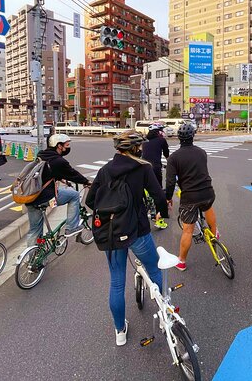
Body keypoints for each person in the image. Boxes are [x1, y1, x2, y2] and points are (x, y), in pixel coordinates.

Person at [85, 130, 168, 346]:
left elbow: (91, 200)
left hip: (112, 233)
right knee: (155, 269)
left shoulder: (104, 171)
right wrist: (161, 213)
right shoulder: (142, 168)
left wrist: (111, 213)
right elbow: (159, 195)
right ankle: (164, 317)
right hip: (137, 231)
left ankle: (120, 331)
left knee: (116, 282)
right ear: (136, 148)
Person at [165, 123, 219, 271]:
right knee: (208, 207)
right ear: (193, 136)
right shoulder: (202, 152)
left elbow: (170, 182)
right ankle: (214, 235)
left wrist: (168, 198)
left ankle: (181, 261)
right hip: (208, 192)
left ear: (178, 137)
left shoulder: (173, 158)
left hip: (189, 197)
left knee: (188, 230)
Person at [26, 134, 90, 246]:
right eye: (66, 145)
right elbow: (73, 174)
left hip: (31, 197)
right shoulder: (59, 161)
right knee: (74, 195)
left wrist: (61, 179)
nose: (68, 148)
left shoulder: (41, 155)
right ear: (59, 146)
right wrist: (87, 182)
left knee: (34, 231)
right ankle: (71, 227)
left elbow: (48, 171)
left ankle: (32, 260)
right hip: (46, 197)